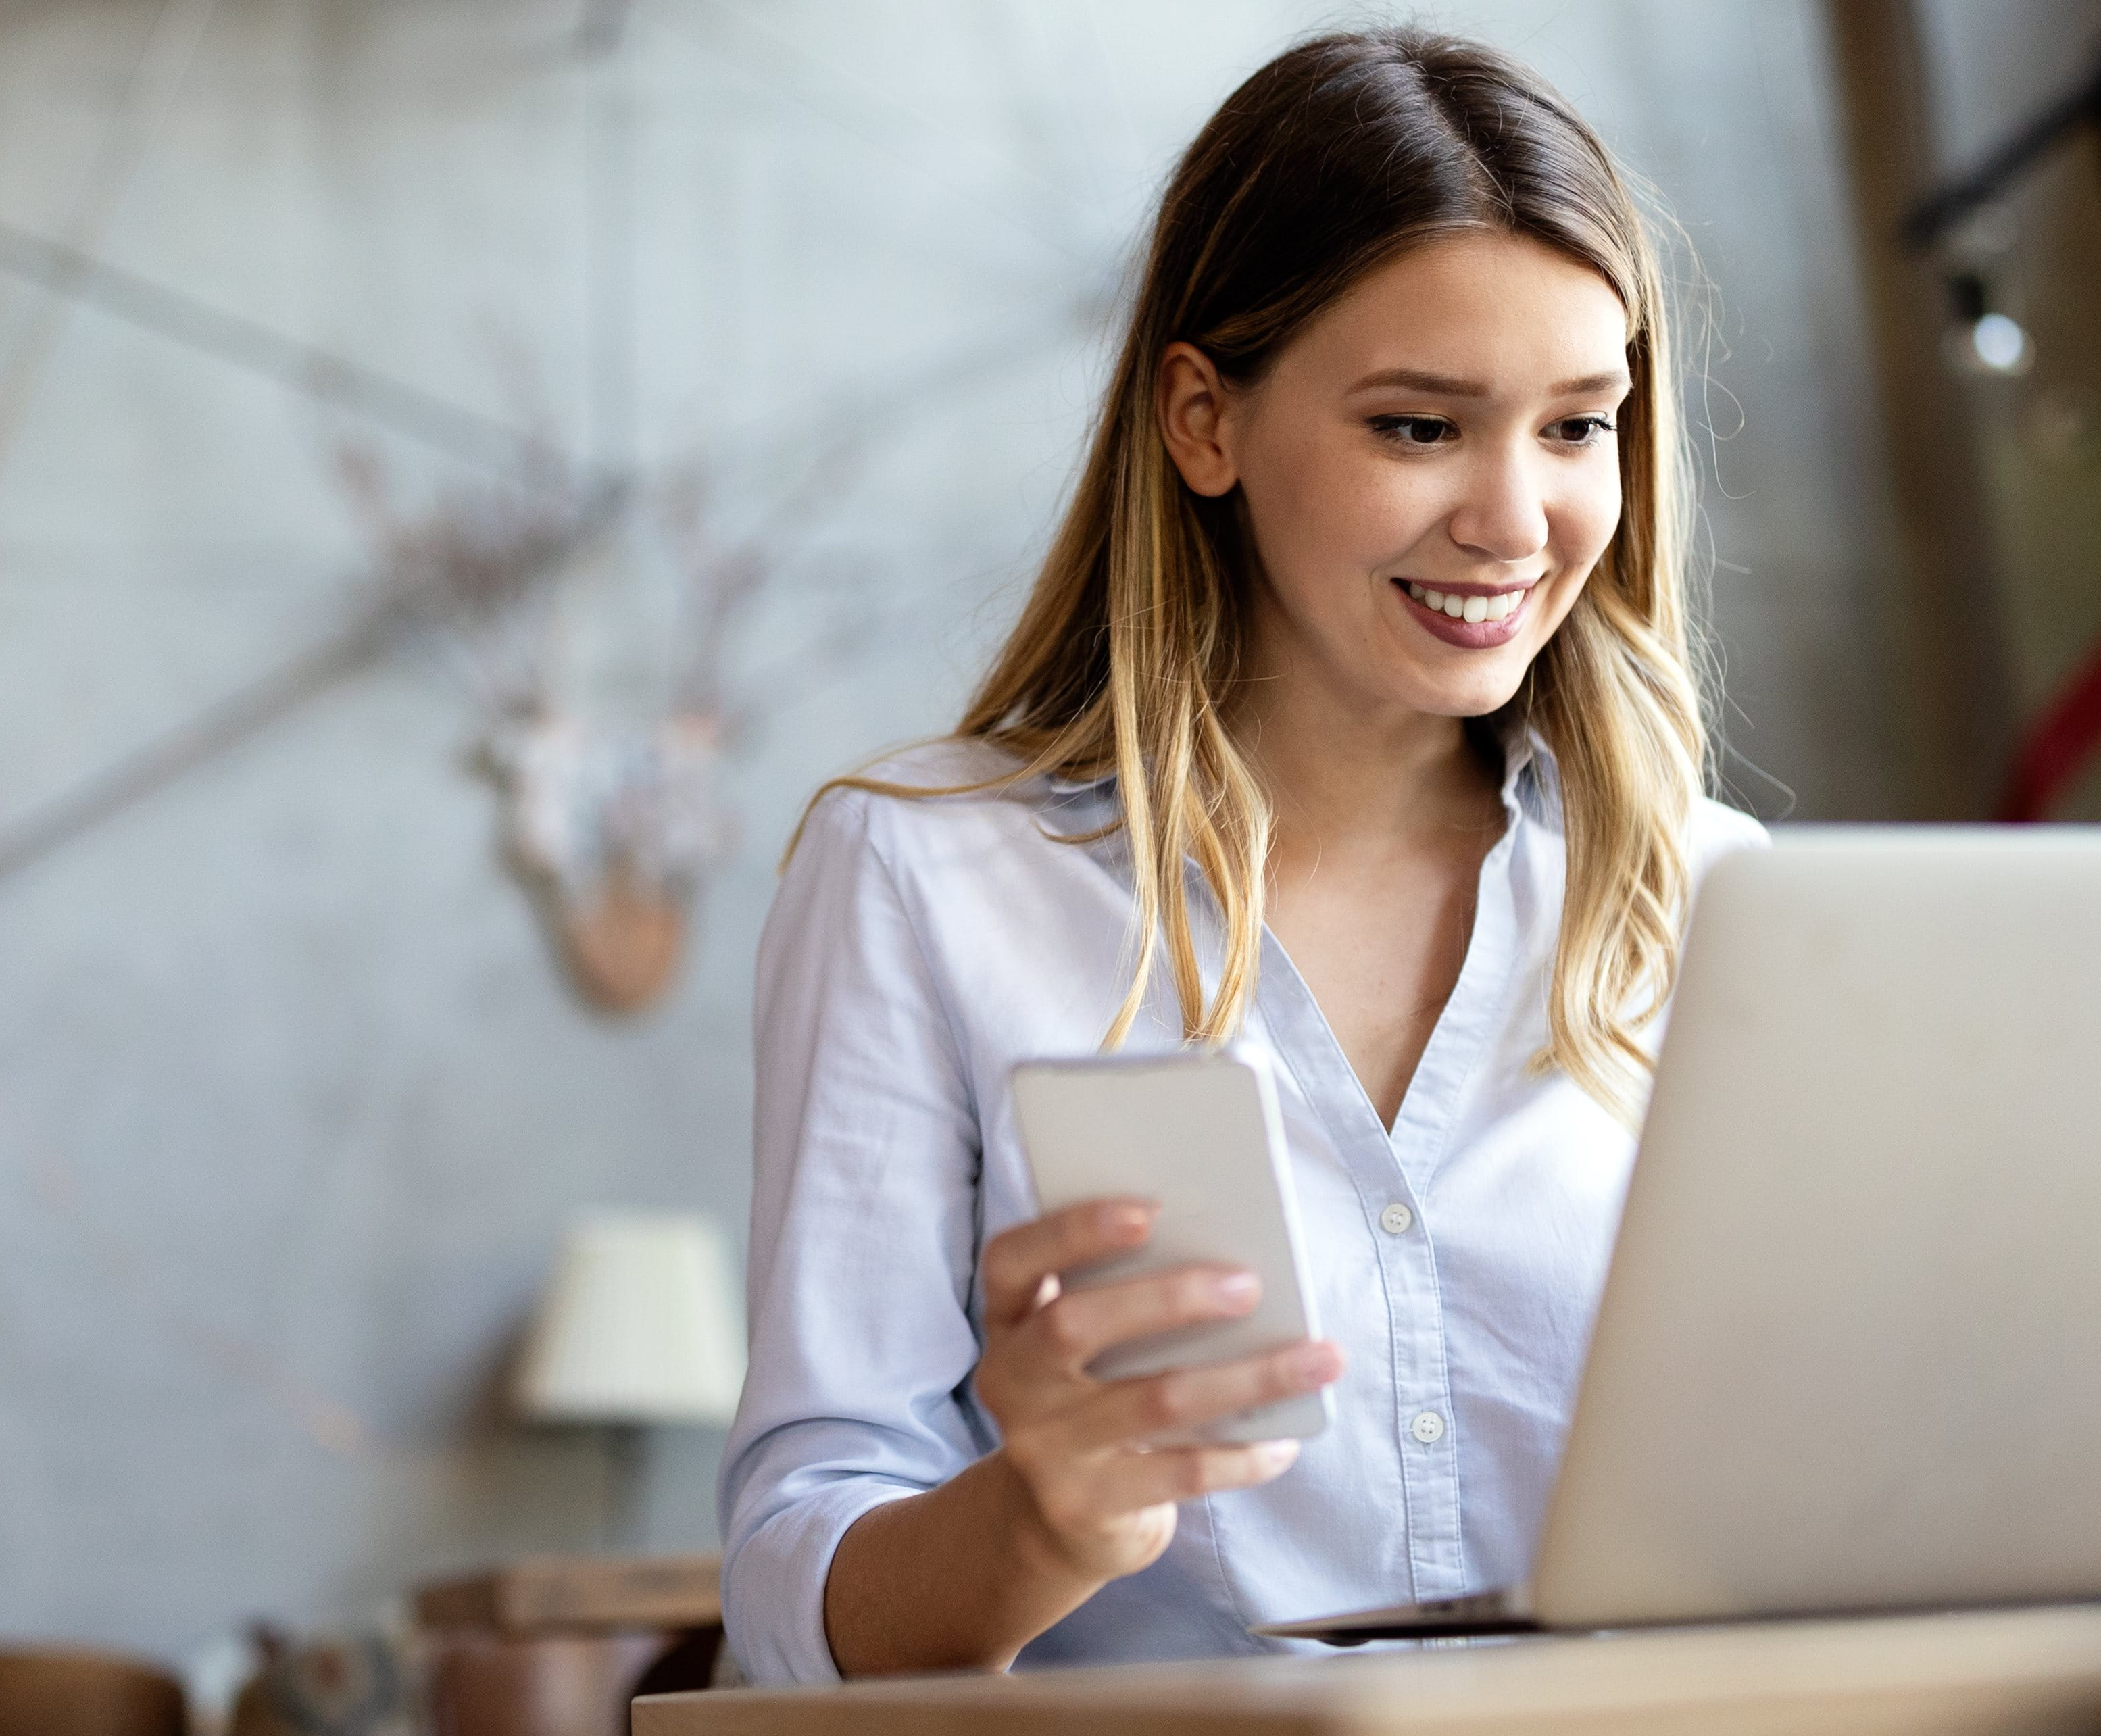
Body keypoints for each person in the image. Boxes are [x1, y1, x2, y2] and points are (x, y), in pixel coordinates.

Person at [717, 25, 1767, 1685]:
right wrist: (1042, 1519)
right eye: (1418, 427)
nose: (1516, 520)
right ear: (1204, 419)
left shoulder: (1718, 901)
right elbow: (796, 1579)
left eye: (1579, 428)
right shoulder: (925, 880)